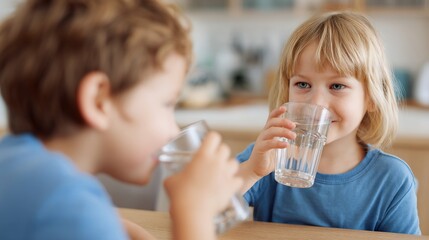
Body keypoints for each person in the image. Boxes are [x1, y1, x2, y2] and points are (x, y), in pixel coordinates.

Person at [0, 0, 242, 239]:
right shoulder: (69, 205)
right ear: (98, 101)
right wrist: (193, 213)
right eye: (166, 104)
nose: (173, 130)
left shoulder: (13, 162)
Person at [237, 11, 421, 235]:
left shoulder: (391, 180)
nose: (316, 103)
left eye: (336, 86)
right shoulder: (266, 157)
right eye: (303, 84)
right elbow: (201, 214)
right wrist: (250, 172)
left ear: (372, 97)